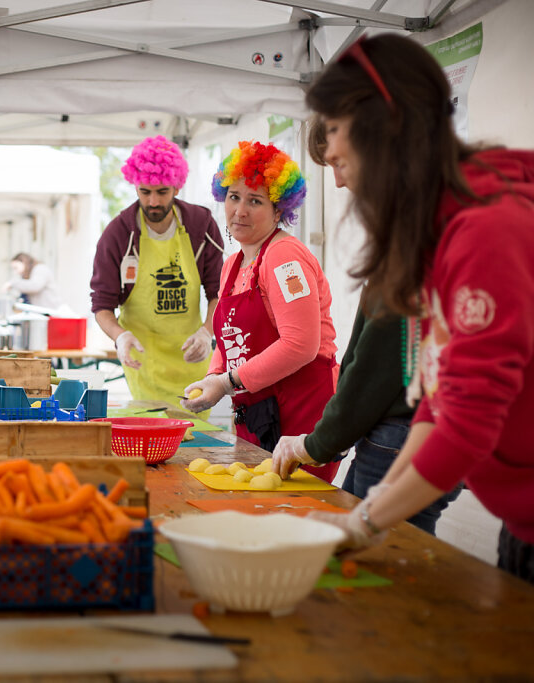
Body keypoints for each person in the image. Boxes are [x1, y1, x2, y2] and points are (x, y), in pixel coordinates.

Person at [301, 34, 534, 583]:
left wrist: (364, 520)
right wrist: (367, 513)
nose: (330, 156)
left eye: (336, 130)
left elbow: (467, 428)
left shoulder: (487, 231)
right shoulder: (441, 230)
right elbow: (439, 402)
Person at [271, 117, 460, 532]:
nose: (337, 182)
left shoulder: (419, 227)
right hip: (405, 425)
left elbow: (376, 355)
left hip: (402, 428)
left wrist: (320, 441)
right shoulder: (411, 221)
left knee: (379, 562)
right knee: (355, 536)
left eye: (340, 163)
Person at [181, 140, 340, 482]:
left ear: (279, 209)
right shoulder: (233, 264)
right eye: (234, 197)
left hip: (300, 411)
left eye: (255, 201)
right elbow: (229, 340)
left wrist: (226, 383)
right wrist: (213, 377)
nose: (239, 211)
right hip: (257, 409)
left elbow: (301, 344)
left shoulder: (285, 259)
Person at [90, 136, 225, 406]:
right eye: (144, 192)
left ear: (177, 186)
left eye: (162, 192)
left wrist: (206, 332)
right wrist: (120, 336)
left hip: (192, 358)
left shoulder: (201, 225)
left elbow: (218, 292)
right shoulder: (118, 233)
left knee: (196, 440)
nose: (152, 201)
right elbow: (101, 305)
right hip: (143, 361)